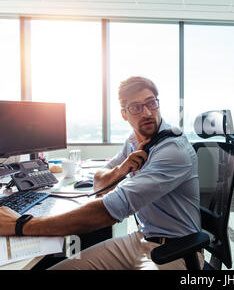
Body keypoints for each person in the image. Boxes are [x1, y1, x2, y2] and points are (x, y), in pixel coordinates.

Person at [0, 76, 203, 270]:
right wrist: (122, 168)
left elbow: (109, 210)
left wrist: (20, 225)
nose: (147, 113)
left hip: (176, 250)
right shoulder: (134, 141)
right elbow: (99, 185)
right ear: (124, 114)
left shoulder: (173, 150)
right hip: (141, 239)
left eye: (151, 103)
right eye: (136, 108)